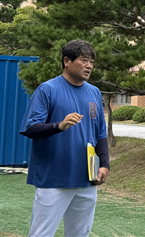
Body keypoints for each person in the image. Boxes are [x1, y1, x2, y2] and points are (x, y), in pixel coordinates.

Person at [19, 40, 109, 237]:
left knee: (80, 234)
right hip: (54, 178)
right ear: (67, 61)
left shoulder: (94, 92)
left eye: (91, 62)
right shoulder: (47, 89)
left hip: (87, 178)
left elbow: (100, 133)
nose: (89, 66)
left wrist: (104, 165)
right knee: (41, 234)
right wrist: (59, 125)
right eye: (84, 60)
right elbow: (30, 128)